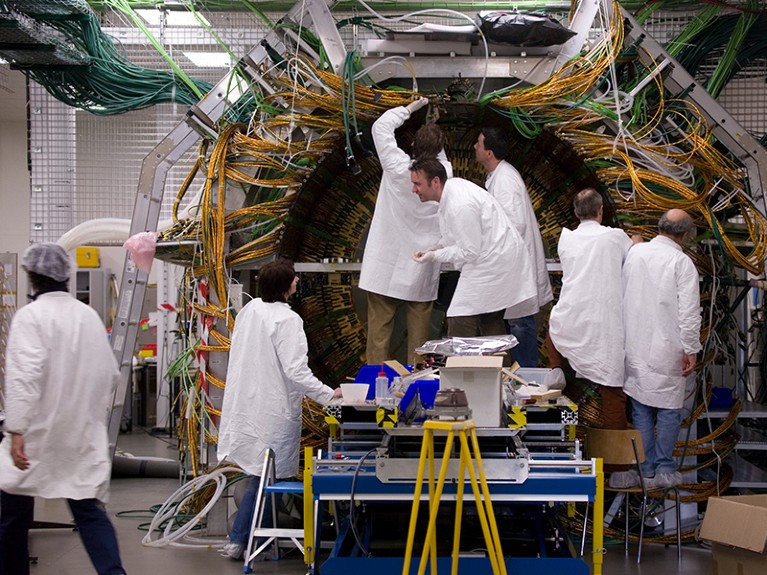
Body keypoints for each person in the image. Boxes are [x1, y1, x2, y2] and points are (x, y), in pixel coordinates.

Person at [0, 243, 126, 575]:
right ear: (66, 275)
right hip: (79, 432)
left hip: (37, 432)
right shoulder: (87, 315)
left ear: (32, 277)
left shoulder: (30, 316)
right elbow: (109, 374)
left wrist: (16, 431)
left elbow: (24, 377)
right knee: (87, 511)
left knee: (12, 512)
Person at [217, 258, 342, 560]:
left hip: (248, 406)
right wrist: (330, 395)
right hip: (271, 411)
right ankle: (239, 542)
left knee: (260, 475)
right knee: (263, 477)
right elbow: (296, 372)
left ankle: (261, 540)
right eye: (295, 278)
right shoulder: (287, 321)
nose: (298, 281)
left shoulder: (250, 311)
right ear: (287, 285)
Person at [546, 189, 637, 486]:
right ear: (600, 211)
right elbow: (633, 253)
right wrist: (636, 240)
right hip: (602, 327)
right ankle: (617, 470)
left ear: (575, 213)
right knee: (613, 395)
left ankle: (556, 372)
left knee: (555, 342)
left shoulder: (566, 238)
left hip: (568, 322)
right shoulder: (614, 237)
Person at [359, 98, 453, 365]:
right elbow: (440, 157)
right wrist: (435, 128)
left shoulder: (397, 166)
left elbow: (380, 128)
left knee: (378, 335)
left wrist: (410, 108)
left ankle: (375, 393)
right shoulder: (444, 175)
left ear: (412, 145)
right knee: (420, 343)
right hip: (420, 266)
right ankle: (417, 388)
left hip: (385, 264)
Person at [410, 157, 536, 337]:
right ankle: (497, 364)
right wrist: (435, 248)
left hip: (494, 262)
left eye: (417, 184)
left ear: (435, 182)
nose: (413, 189)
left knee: (460, 316)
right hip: (495, 258)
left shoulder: (460, 204)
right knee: (488, 318)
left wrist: (435, 256)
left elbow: (469, 251)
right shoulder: (452, 191)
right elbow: (455, 236)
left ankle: (462, 363)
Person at [623, 209, 701, 489]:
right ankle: (664, 468)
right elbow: (690, 312)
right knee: (669, 410)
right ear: (684, 235)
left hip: (634, 344)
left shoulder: (635, 254)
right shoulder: (681, 263)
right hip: (669, 346)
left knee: (642, 410)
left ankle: (645, 468)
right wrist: (691, 348)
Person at [474, 127, 552, 366]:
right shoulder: (499, 176)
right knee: (516, 326)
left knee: (520, 328)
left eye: (478, 143)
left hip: (516, 270)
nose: (474, 147)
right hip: (511, 271)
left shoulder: (505, 180)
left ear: (489, 152)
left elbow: (514, 225)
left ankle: (527, 383)